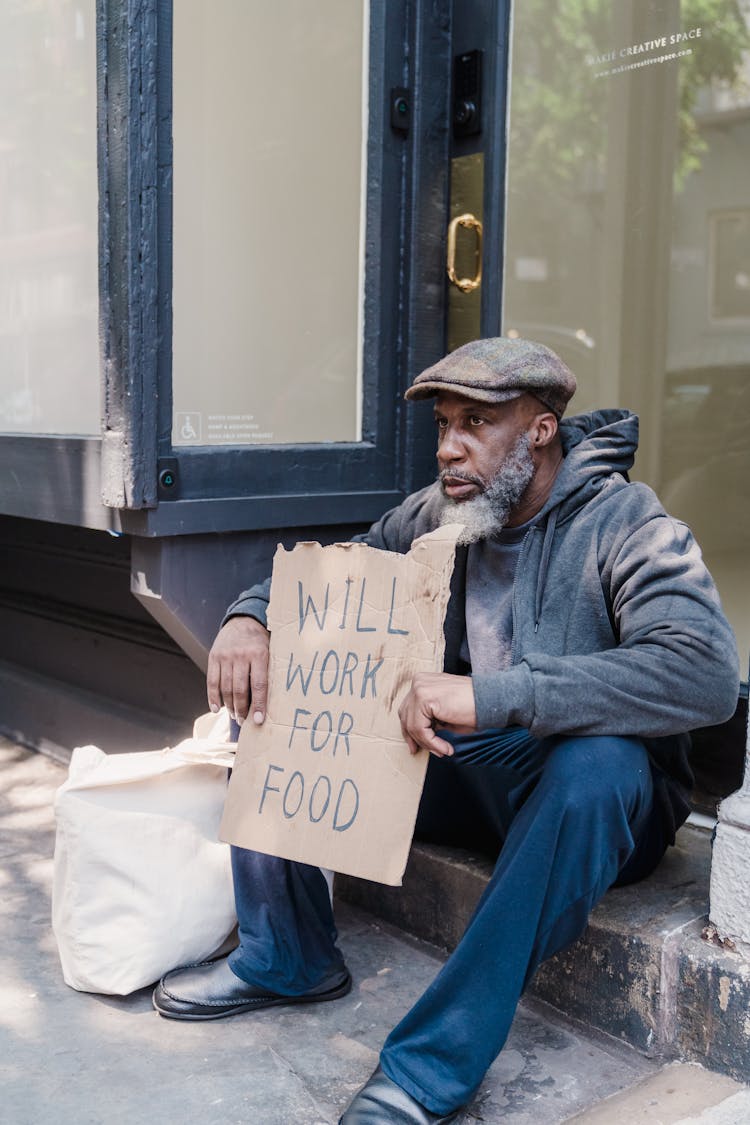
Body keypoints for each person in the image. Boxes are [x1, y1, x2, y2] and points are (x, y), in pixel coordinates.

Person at [153, 338, 739, 1125]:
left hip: (588, 803)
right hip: (472, 767)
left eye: (475, 422)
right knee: (288, 696)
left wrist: (496, 693)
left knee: (599, 765)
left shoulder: (628, 522)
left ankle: (429, 1068)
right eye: (442, 423)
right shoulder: (444, 510)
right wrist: (250, 616)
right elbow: (343, 574)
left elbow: (703, 673)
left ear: (539, 428)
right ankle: (286, 953)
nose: (448, 446)